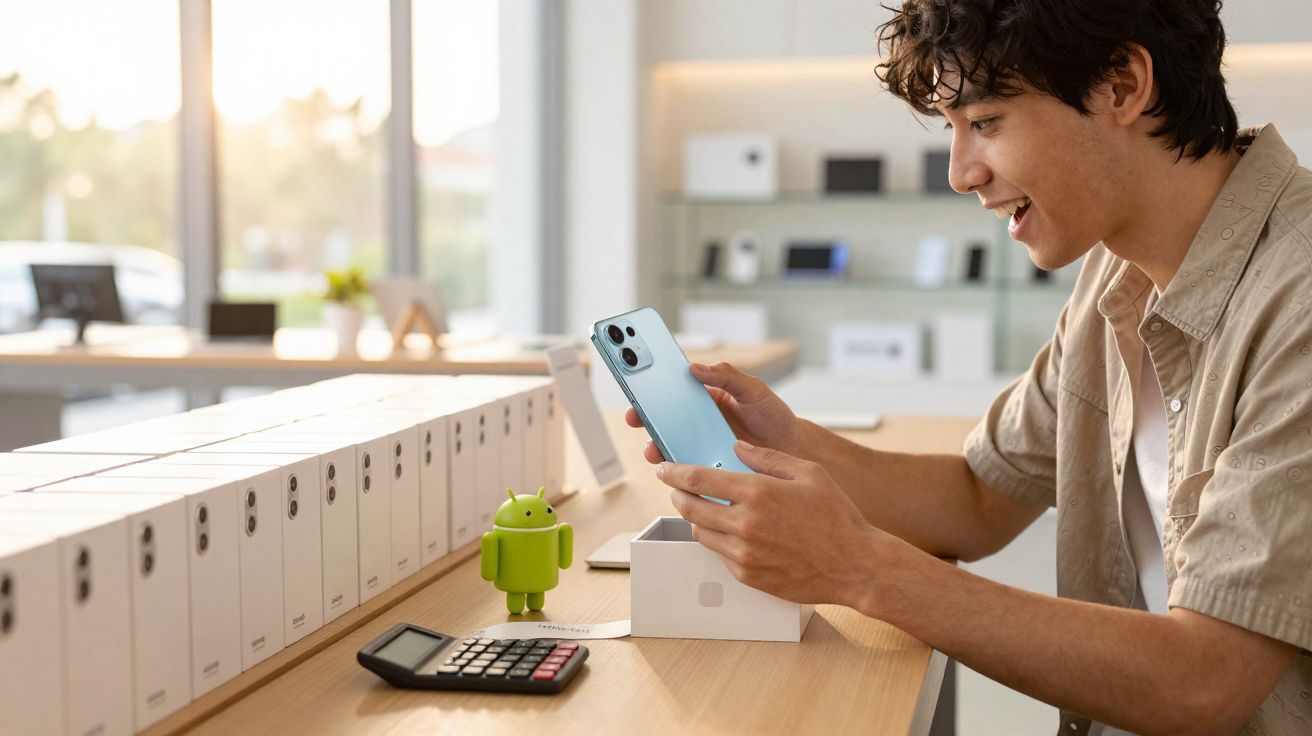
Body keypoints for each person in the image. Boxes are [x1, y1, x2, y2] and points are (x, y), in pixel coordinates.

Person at [625, 1, 1312, 733]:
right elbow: (981, 498)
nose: (960, 173)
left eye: (984, 122)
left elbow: (1206, 682)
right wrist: (790, 443)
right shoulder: (1115, 272)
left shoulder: (1297, 294)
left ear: (1122, 85)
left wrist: (860, 567)